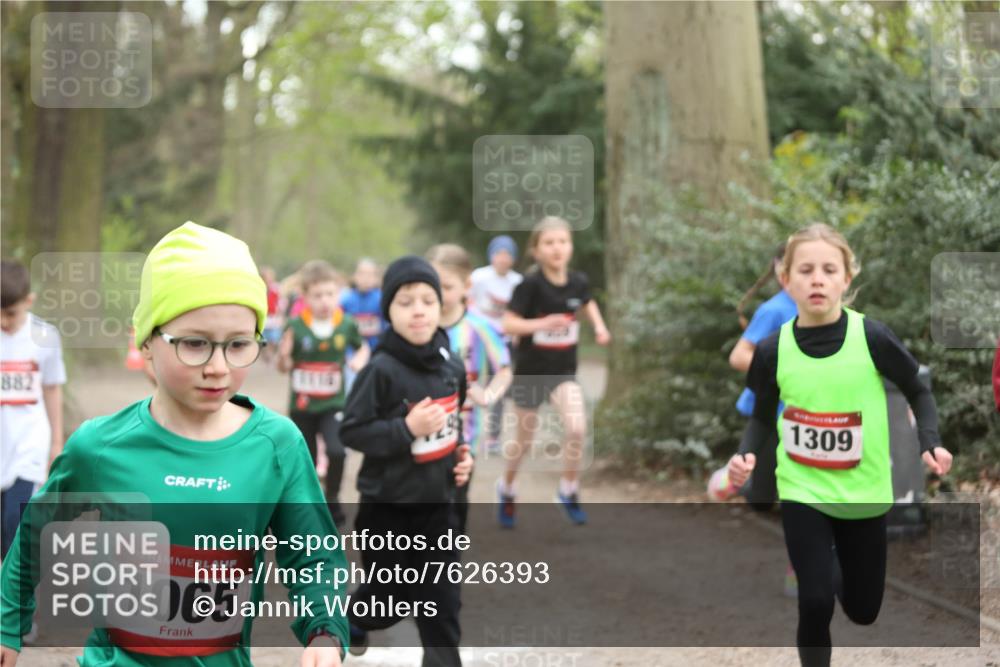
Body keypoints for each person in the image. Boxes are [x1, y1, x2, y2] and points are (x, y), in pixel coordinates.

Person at [0, 222, 349, 667]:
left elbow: (313, 555)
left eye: (239, 344)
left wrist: (324, 631)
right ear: (146, 342)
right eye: (195, 344)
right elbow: (36, 531)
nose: (218, 367)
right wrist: (7, 623)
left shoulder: (276, 446)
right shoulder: (100, 446)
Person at [727, 223, 953, 667]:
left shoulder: (873, 338)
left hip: (864, 493)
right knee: (813, 602)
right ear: (786, 279)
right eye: (805, 269)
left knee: (864, 611)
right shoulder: (772, 350)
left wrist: (930, 440)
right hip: (802, 487)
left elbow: (919, 390)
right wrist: (743, 456)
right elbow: (759, 416)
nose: (817, 278)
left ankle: (830, 561)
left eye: (829, 269)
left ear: (846, 279)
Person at [339, 256, 474, 667]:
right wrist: (406, 428)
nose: (418, 310)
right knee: (390, 601)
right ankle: (352, 618)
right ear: (388, 312)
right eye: (405, 302)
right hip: (388, 510)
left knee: (442, 603)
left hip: (439, 507)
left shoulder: (451, 365)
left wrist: (461, 457)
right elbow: (353, 431)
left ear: (440, 307)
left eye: (427, 300)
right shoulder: (380, 370)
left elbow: (453, 425)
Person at [499, 217, 610, 528]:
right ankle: (507, 488)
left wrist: (599, 327)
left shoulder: (578, 281)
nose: (557, 248)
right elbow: (508, 324)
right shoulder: (529, 286)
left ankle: (568, 489)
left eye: (562, 241)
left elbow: (587, 304)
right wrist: (541, 325)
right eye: (549, 243)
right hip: (531, 372)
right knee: (524, 440)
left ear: (571, 247)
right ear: (536, 251)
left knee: (577, 428)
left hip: (563, 372)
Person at [426, 243, 513, 532]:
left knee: (457, 500)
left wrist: (488, 394)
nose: (439, 295)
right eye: (432, 285)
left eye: (447, 286)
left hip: (465, 433)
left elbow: (505, 369)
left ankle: (450, 559)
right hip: (422, 431)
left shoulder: (478, 326)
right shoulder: (417, 325)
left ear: (466, 286)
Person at [278, 260, 369, 529]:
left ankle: (332, 498)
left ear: (338, 294)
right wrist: (284, 355)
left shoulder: (346, 324)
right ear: (305, 297)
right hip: (303, 405)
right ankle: (307, 503)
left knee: (337, 451)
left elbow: (363, 348)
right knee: (304, 458)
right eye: (317, 295)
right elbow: (284, 368)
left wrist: (359, 360)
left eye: (330, 294)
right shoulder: (295, 326)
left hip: (333, 403)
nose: (325, 301)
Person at [709, 242, 796, 504]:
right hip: (768, 409)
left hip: (799, 410)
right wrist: (787, 372)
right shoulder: (774, 310)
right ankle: (728, 481)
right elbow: (739, 356)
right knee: (761, 498)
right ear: (782, 272)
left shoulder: (819, 312)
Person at [0, 260, 66, 561]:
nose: (3, 321)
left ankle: (15, 594)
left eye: (10, 313)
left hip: (29, 444)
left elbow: (52, 388)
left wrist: (56, 441)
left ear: (29, 301)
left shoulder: (45, 336)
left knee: (17, 519)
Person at [470, 236, 522, 453]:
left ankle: (493, 436)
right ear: (491, 256)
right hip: (477, 335)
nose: (502, 258)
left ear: (513, 258)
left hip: (503, 339)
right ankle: (467, 429)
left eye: (507, 254)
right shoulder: (479, 277)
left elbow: (520, 311)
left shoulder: (517, 282)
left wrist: (516, 331)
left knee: (497, 384)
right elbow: (467, 302)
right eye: (498, 253)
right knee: (470, 379)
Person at [260, 266, 283, 364]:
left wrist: (280, 311)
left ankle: (271, 353)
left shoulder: (276, 288)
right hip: (264, 316)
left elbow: (280, 300)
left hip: (273, 317)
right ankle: (266, 354)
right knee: (263, 339)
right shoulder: (260, 288)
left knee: (274, 339)